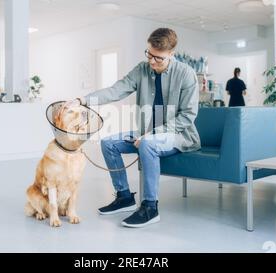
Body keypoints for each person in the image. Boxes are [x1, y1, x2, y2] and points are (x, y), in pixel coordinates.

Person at [64, 28, 200, 228]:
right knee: (108, 143)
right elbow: (115, 90)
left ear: (172, 54)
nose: (152, 61)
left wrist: (151, 134)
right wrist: (82, 100)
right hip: (147, 131)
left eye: (158, 58)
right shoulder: (142, 69)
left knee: (148, 144)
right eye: (149, 54)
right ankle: (124, 197)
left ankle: (150, 207)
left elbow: (187, 116)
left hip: (178, 134)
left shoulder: (186, 74)